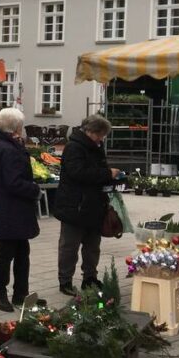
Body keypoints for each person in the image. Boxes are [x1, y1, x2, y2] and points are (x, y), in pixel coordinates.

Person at [54, 114, 120, 295]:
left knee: (92, 246)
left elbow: (96, 170)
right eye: (100, 135)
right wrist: (107, 174)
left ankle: (90, 277)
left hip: (94, 205)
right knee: (70, 246)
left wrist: (111, 180)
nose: (102, 139)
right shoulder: (74, 147)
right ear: (90, 131)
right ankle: (65, 281)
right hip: (75, 206)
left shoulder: (96, 147)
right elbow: (79, 173)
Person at [0, 108, 41, 312]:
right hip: (11, 209)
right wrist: (34, 189)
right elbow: (13, 182)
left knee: (20, 252)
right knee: (8, 253)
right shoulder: (8, 149)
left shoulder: (3, 144)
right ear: (16, 127)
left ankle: (20, 294)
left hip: (10, 208)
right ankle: (1, 294)